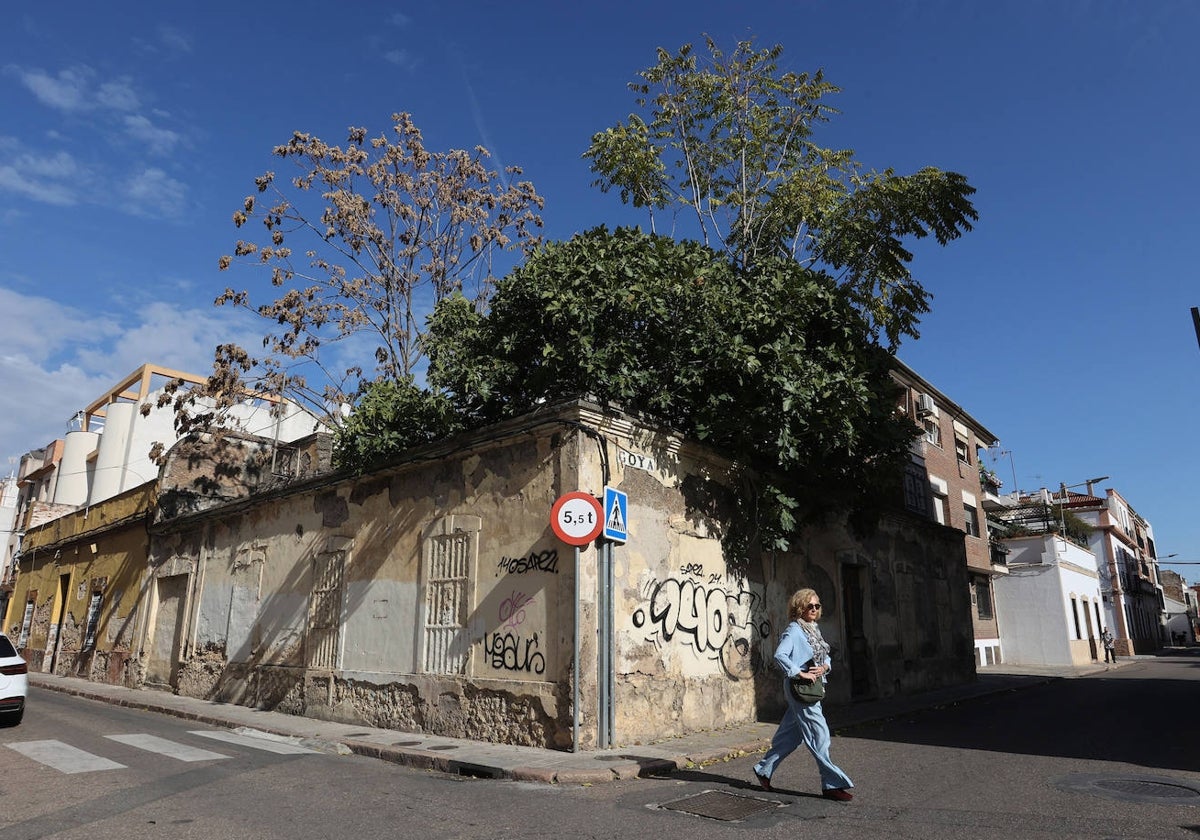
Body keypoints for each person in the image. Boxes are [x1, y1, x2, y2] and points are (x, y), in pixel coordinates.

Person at [753, 588, 855, 801]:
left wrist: (824, 668)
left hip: (813, 688)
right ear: (800, 607)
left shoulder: (813, 629)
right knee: (821, 735)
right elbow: (780, 655)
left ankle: (764, 769)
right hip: (801, 689)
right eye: (810, 606)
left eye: (817, 606)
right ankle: (831, 784)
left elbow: (824, 657)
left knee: (791, 736)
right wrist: (799, 672)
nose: (814, 609)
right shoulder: (794, 630)